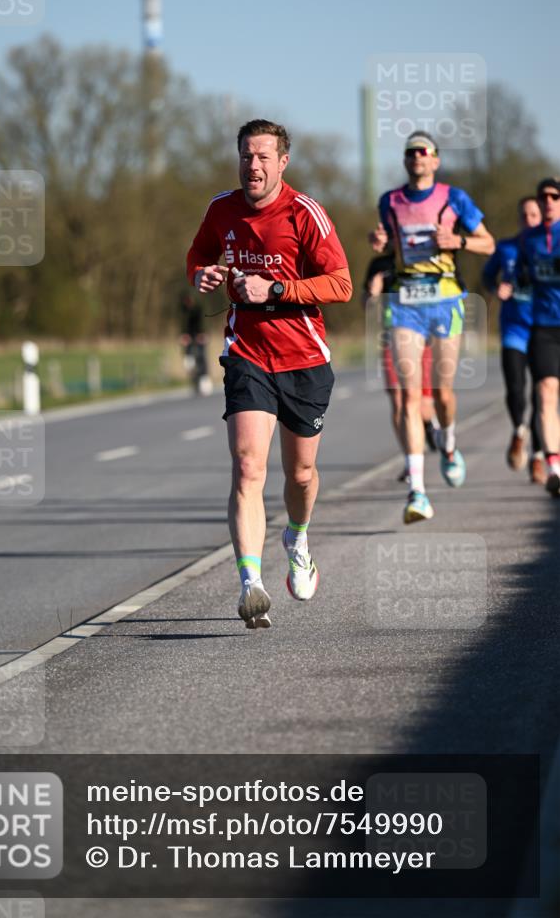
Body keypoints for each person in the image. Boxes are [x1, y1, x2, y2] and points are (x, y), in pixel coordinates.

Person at [186, 119, 352, 628]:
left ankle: (297, 537)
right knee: (248, 466)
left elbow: (341, 284)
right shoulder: (222, 209)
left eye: (262, 157)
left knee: (299, 474)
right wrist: (204, 275)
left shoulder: (306, 213)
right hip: (247, 352)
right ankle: (251, 583)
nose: (252, 166)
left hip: (304, 357)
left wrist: (276, 290)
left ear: (282, 162)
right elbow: (198, 256)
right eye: (245, 156)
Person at [370, 130, 494, 523]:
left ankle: (450, 444)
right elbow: (393, 244)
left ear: (435, 160)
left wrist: (457, 240)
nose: (416, 157)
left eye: (423, 152)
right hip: (406, 301)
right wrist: (381, 243)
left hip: (445, 300)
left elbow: (488, 243)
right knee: (409, 398)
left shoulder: (454, 198)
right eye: (410, 152)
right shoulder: (389, 200)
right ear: (405, 161)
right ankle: (418, 492)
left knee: (441, 393)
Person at [503, 177, 560, 497]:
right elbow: (518, 275)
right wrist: (508, 284)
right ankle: (553, 466)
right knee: (546, 391)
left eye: (555, 196)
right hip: (543, 327)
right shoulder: (528, 241)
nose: (549, 201)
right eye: (544, 196)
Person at [482, 196, 544, 482]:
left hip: (545, 329)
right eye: (525, 215)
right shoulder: (506, 247)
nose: (529, 219)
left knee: (542, 396)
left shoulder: (550, 248)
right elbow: (486, 277)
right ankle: (520, 430)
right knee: (516, 388)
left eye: (534, 215)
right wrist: (497, 289)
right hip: (513, 328)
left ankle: (538, 455)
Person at [362, 253, 439, 481]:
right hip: (392, 336)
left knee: (422, 405)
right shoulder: (378, 264)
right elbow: (364, 303)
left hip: (423, 336)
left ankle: (428, 424)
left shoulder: (422, 256)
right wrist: (372, 294)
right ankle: (409, 460)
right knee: (398, 401)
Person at [178, 291, 212, 395]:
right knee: (189, 361)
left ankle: (204, 381)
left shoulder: (200, 307)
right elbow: (181, 322)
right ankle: (194, 380)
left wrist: (203, 333)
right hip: (188, 335)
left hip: (200, 333)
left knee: (202, 357)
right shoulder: (182, 309)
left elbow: (205, 320)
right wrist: (182, 334)